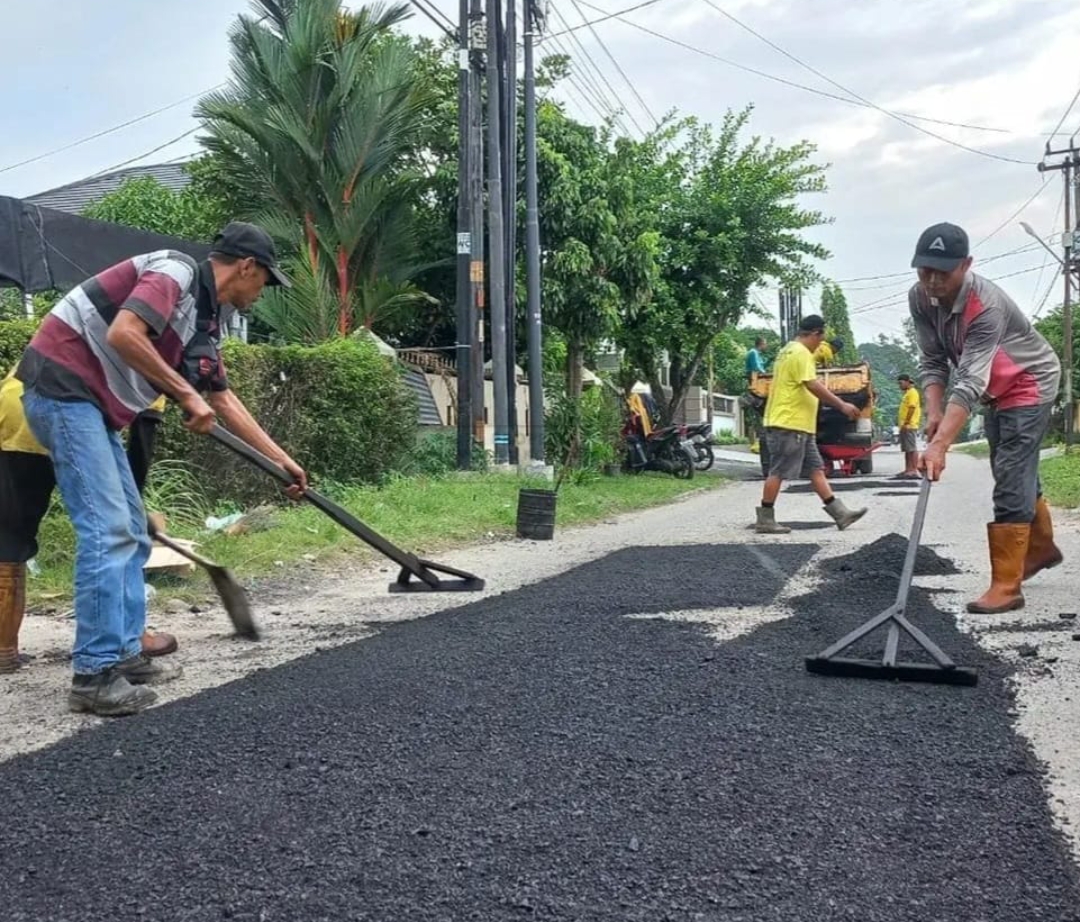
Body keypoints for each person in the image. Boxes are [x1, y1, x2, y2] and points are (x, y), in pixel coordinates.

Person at [14, 222, 308, 716]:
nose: (263, 292)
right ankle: (93, 675)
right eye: (265, 280)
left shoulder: (204, 321)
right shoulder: (174, 270)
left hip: (92, 408)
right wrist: (187, 395)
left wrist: (281, 461)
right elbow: (124, 332)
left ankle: (125, 654)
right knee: (108, 531)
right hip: (63, 391)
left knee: (131, 530)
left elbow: (222, 399)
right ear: (246, 267)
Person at [909, 221, 1063, 614]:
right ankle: (1041, 548)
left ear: (966, 265)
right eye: (925, 270)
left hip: (1028, 381)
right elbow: (933, 359)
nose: (932, 281)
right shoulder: (920, 297)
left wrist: (940, 444)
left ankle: (1007, 587)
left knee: (1010, 473)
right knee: (1010, 467)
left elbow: (970, 379)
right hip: (996, 389)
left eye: (942, 272)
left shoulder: (986, 304)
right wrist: (934, 410)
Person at [0, 372, 176, 674]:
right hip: (70, 419)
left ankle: (4, 649)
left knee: (10, 533)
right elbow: (140, 440)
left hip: (13, 404)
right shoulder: (156, 364)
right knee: (114, 535)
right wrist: (133, 509)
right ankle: (131, 638)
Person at [754, 315, 867, 534]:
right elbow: (813, 385)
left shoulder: (787, 350)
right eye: (821, 339)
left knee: (816, 469)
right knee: (778, 471)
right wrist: (841, 405)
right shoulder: (801, 353)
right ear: (815, 333)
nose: (820, 345)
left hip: (800, 425)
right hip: (788, 423)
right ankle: (765, 519)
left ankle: (840, 514)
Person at [896, 374, 921, 477]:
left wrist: (906, 422)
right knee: (907, 449)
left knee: (912, 449)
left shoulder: (912, 393)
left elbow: (912, 408)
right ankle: (908, 470)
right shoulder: (907, 393)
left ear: (907, 382)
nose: (900, 386)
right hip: (905, 426)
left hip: (909, 426)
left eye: (901, 383)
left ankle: (914, 470)